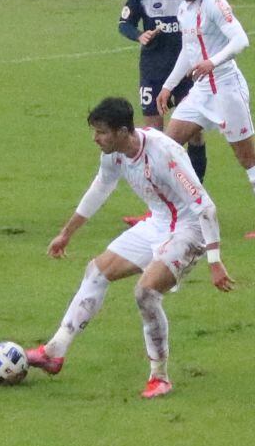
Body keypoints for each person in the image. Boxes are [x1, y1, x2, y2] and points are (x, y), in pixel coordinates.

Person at [25, 97, 234, 399]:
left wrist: (215, 260)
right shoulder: (114, 154)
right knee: (96, 271)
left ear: (123, 131)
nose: (96, 139)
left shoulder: (165, 153)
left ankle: (160, 377)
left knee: (145, 292)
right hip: (158, 223)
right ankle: (54, 352)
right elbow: (100, 188)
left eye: (102, 132)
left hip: (189, 229)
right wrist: (66, 233)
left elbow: (205, 207)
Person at [156, 0, 255, 238]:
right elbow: (188, 53)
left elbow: (241, 40)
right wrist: (168, 85)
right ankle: (172, 213)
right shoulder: (184, 7)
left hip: (227, 88)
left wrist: (212, 62)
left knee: (246, 157)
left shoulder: (214, 2)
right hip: (202, 91)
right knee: (165, 148)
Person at [119, 0, 209, 223]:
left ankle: (195, 197)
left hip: (189, 72)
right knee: (153, 138)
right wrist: (139, 34)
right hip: (154, 70)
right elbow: (125, 23)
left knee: (193, 134)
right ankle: (156, 208)